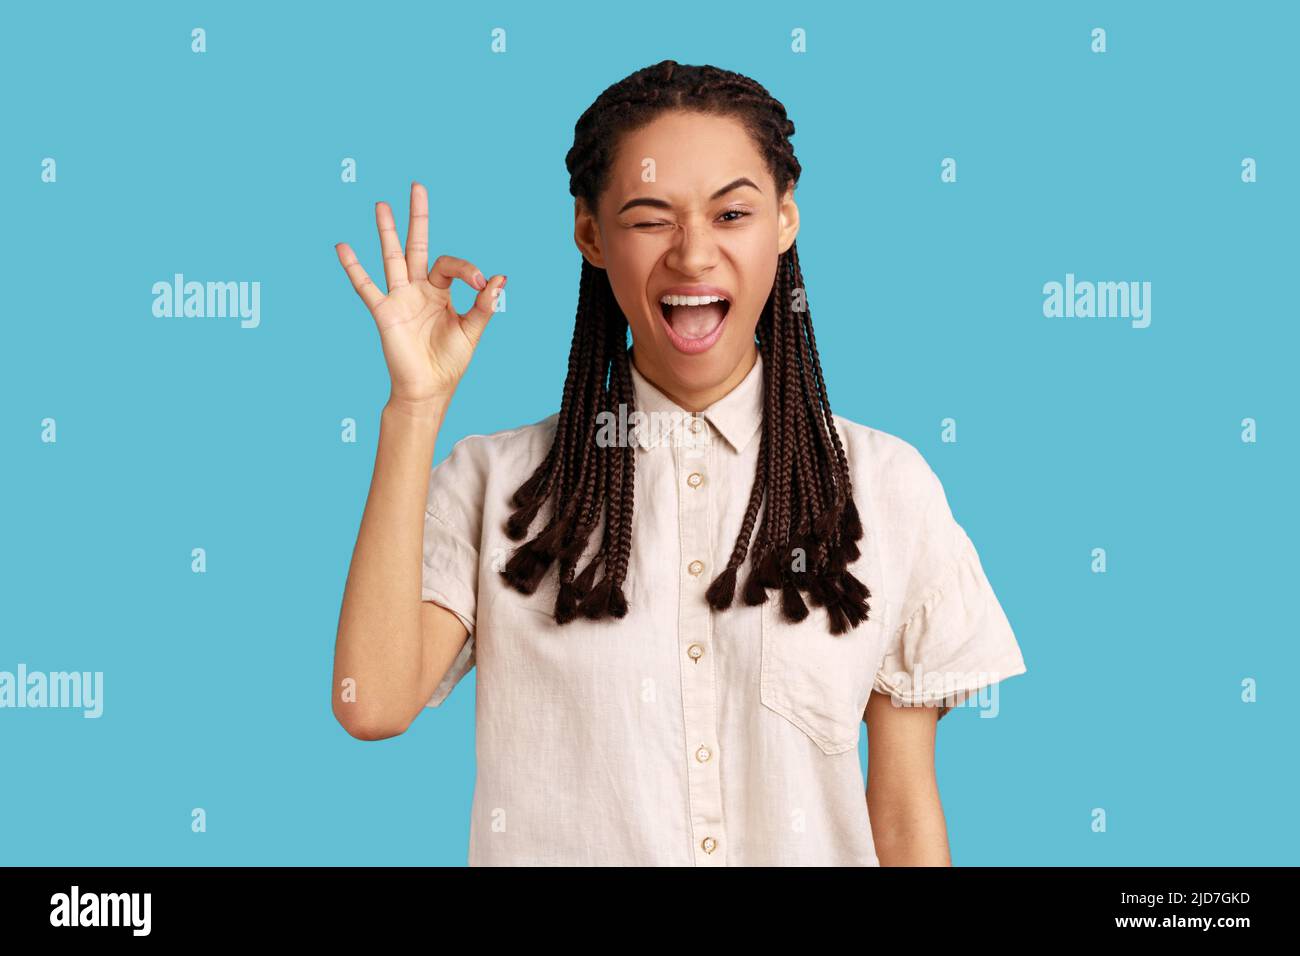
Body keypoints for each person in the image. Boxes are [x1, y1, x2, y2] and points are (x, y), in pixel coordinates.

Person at [330, 60, 1027, 866]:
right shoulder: (496, 485)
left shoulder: (885, 487)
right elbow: (371, 703)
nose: (694, 255)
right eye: (650, 217)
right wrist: (413, 408)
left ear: (786, 221)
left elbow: (903, 819)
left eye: (733, 212)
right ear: (591, 234)